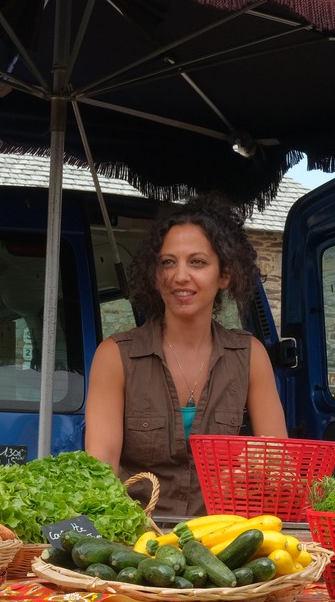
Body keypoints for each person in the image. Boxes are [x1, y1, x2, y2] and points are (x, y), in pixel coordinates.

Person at [83, 195, 288, 516]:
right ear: (154, 275)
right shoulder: (115, 356)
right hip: (138, 537)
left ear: (224, 275)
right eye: (168, 262)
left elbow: (276, 462)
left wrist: (249, 470)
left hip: (223, 536)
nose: (180, 276)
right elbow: (101, 468)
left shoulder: (250, 355)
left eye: (197, 262)